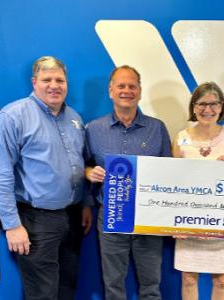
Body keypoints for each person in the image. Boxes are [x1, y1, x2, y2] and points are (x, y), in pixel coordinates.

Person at [0, 56, 92, 300]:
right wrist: (11, 225)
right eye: (47, 79)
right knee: (42, 294)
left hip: (73, 217)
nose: (54, 85)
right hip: (35, 222)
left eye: (60, 80)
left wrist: (85, 204)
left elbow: (81, 163)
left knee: (67, 287)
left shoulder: (74, 118)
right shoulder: (13, 117)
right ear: (34, 82)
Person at [85, 65, 171, 300]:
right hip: (111, 216)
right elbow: (84, 165)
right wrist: (90, 172)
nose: (127, 90)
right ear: (111, 90)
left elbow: (169, 172)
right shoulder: (93, 129)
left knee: (151, 285)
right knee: (113, 284)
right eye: (121, 86)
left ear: (140, 91)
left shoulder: (157, 128)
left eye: (132, 86)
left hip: (149, 218)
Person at [172, 82, 224, 300]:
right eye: (201, 104)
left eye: (214, 104)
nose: (208, 109)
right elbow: (171, 184)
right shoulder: (181, 138)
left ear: (221, 107)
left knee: (222, 281)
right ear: (193, 107)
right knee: (189, 279)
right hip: (189, 222)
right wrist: (174, 222)